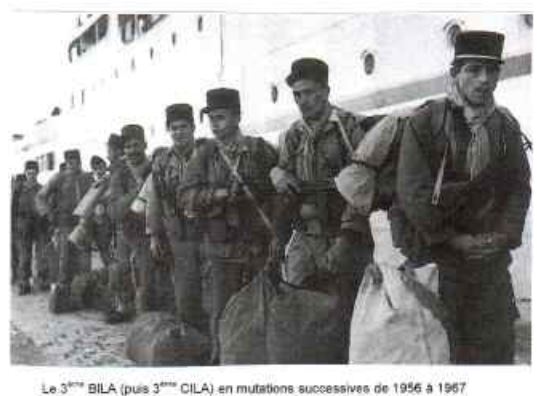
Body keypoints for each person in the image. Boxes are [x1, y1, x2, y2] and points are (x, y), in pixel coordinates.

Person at [394, 31, 531, 364]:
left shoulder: (506, 126)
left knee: (495, 354)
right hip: (440, 264)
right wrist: (453, 239)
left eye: (492, 70)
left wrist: (503, 235)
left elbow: (518, 186)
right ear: (454, 73)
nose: (484, 80)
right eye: (473, 70)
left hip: (492, 264)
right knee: (445, 356)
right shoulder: (426, 122)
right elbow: (413, 192)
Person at [270, 58, 374, 353]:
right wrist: (276, 174)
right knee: (301, 306)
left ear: (326, 91)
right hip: (305, 237)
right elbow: (284, 189)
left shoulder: (350, 128)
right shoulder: (291, 135)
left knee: (346, 311)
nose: (303, 100)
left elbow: (363, 186)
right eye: (297, 94)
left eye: (309, 92)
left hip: (344, 236)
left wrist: (345, 239)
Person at [179, 88, 278, 363]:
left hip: (257, 246)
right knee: (221, 311)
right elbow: (185, 196)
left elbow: (278, 192)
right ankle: (220, 361)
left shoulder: (260, 150)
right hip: (221, 249)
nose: (214, 124)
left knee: (261, 306)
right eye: (211, 118)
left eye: (220, 117)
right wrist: (218, 195)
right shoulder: (205, 155)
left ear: (237, 117)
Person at [146, 103, 207, 332]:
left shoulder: (208, 153)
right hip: (178, 233)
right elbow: (155, 199)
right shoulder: (161, 162)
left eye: (183, 127)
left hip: (208, 230)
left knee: (210, 287)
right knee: (185, 288)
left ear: (193, 127)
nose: (178, 132)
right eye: (173, 128)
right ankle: (191, 336)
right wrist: (154, 235)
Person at [36, 150, 93, 312]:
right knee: (64, 261)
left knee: (84, 262)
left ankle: (82, 297)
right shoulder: (59, 178)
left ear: (80, 161)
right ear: (66, 162)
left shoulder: (86, 177)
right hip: (64, 224)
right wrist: (48, 213)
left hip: (83, 224)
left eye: (76, 160)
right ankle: (62, 301)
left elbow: (95, 196)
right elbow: (41, 196)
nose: (73, 164)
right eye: (70, 161)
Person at [107, 124, 154, 321]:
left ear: (144, 144)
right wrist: (137, 192)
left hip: (150, 232)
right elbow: (114, 211)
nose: (132, 151)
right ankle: (123, 307)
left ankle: (146, 314)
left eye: (136, 145)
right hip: (125, 232)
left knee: (147, 277)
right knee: (122, 271)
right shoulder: (120, 175)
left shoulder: (155, 168)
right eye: (127, 147)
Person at [13, 161, 46, 295]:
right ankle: (24, 283)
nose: (31, 175)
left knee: (41, 255)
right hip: (23, 224)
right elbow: (13, 208)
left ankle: (42, 281)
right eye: (29, 173)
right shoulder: (19, 189)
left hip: (38, 224)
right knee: (24, 255)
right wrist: (14, 226)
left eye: (34, 173)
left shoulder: (42, 189)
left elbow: (46, 208)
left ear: (37, 173)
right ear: (25, 173)